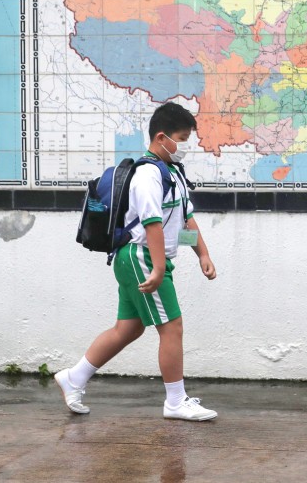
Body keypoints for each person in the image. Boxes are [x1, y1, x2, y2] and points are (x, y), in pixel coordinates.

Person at [55, 102, 219, 421]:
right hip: (141, 257)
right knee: (172, 327)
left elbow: (184, 219)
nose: (186, 146)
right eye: (183, 138)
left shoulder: (173, 173)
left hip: (143, 258)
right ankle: (175, 401)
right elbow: (152, 223)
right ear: (161, 137)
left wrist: (203, 253)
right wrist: (158, 268)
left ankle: (74, 377)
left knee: (128, 329)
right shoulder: (148, 175)